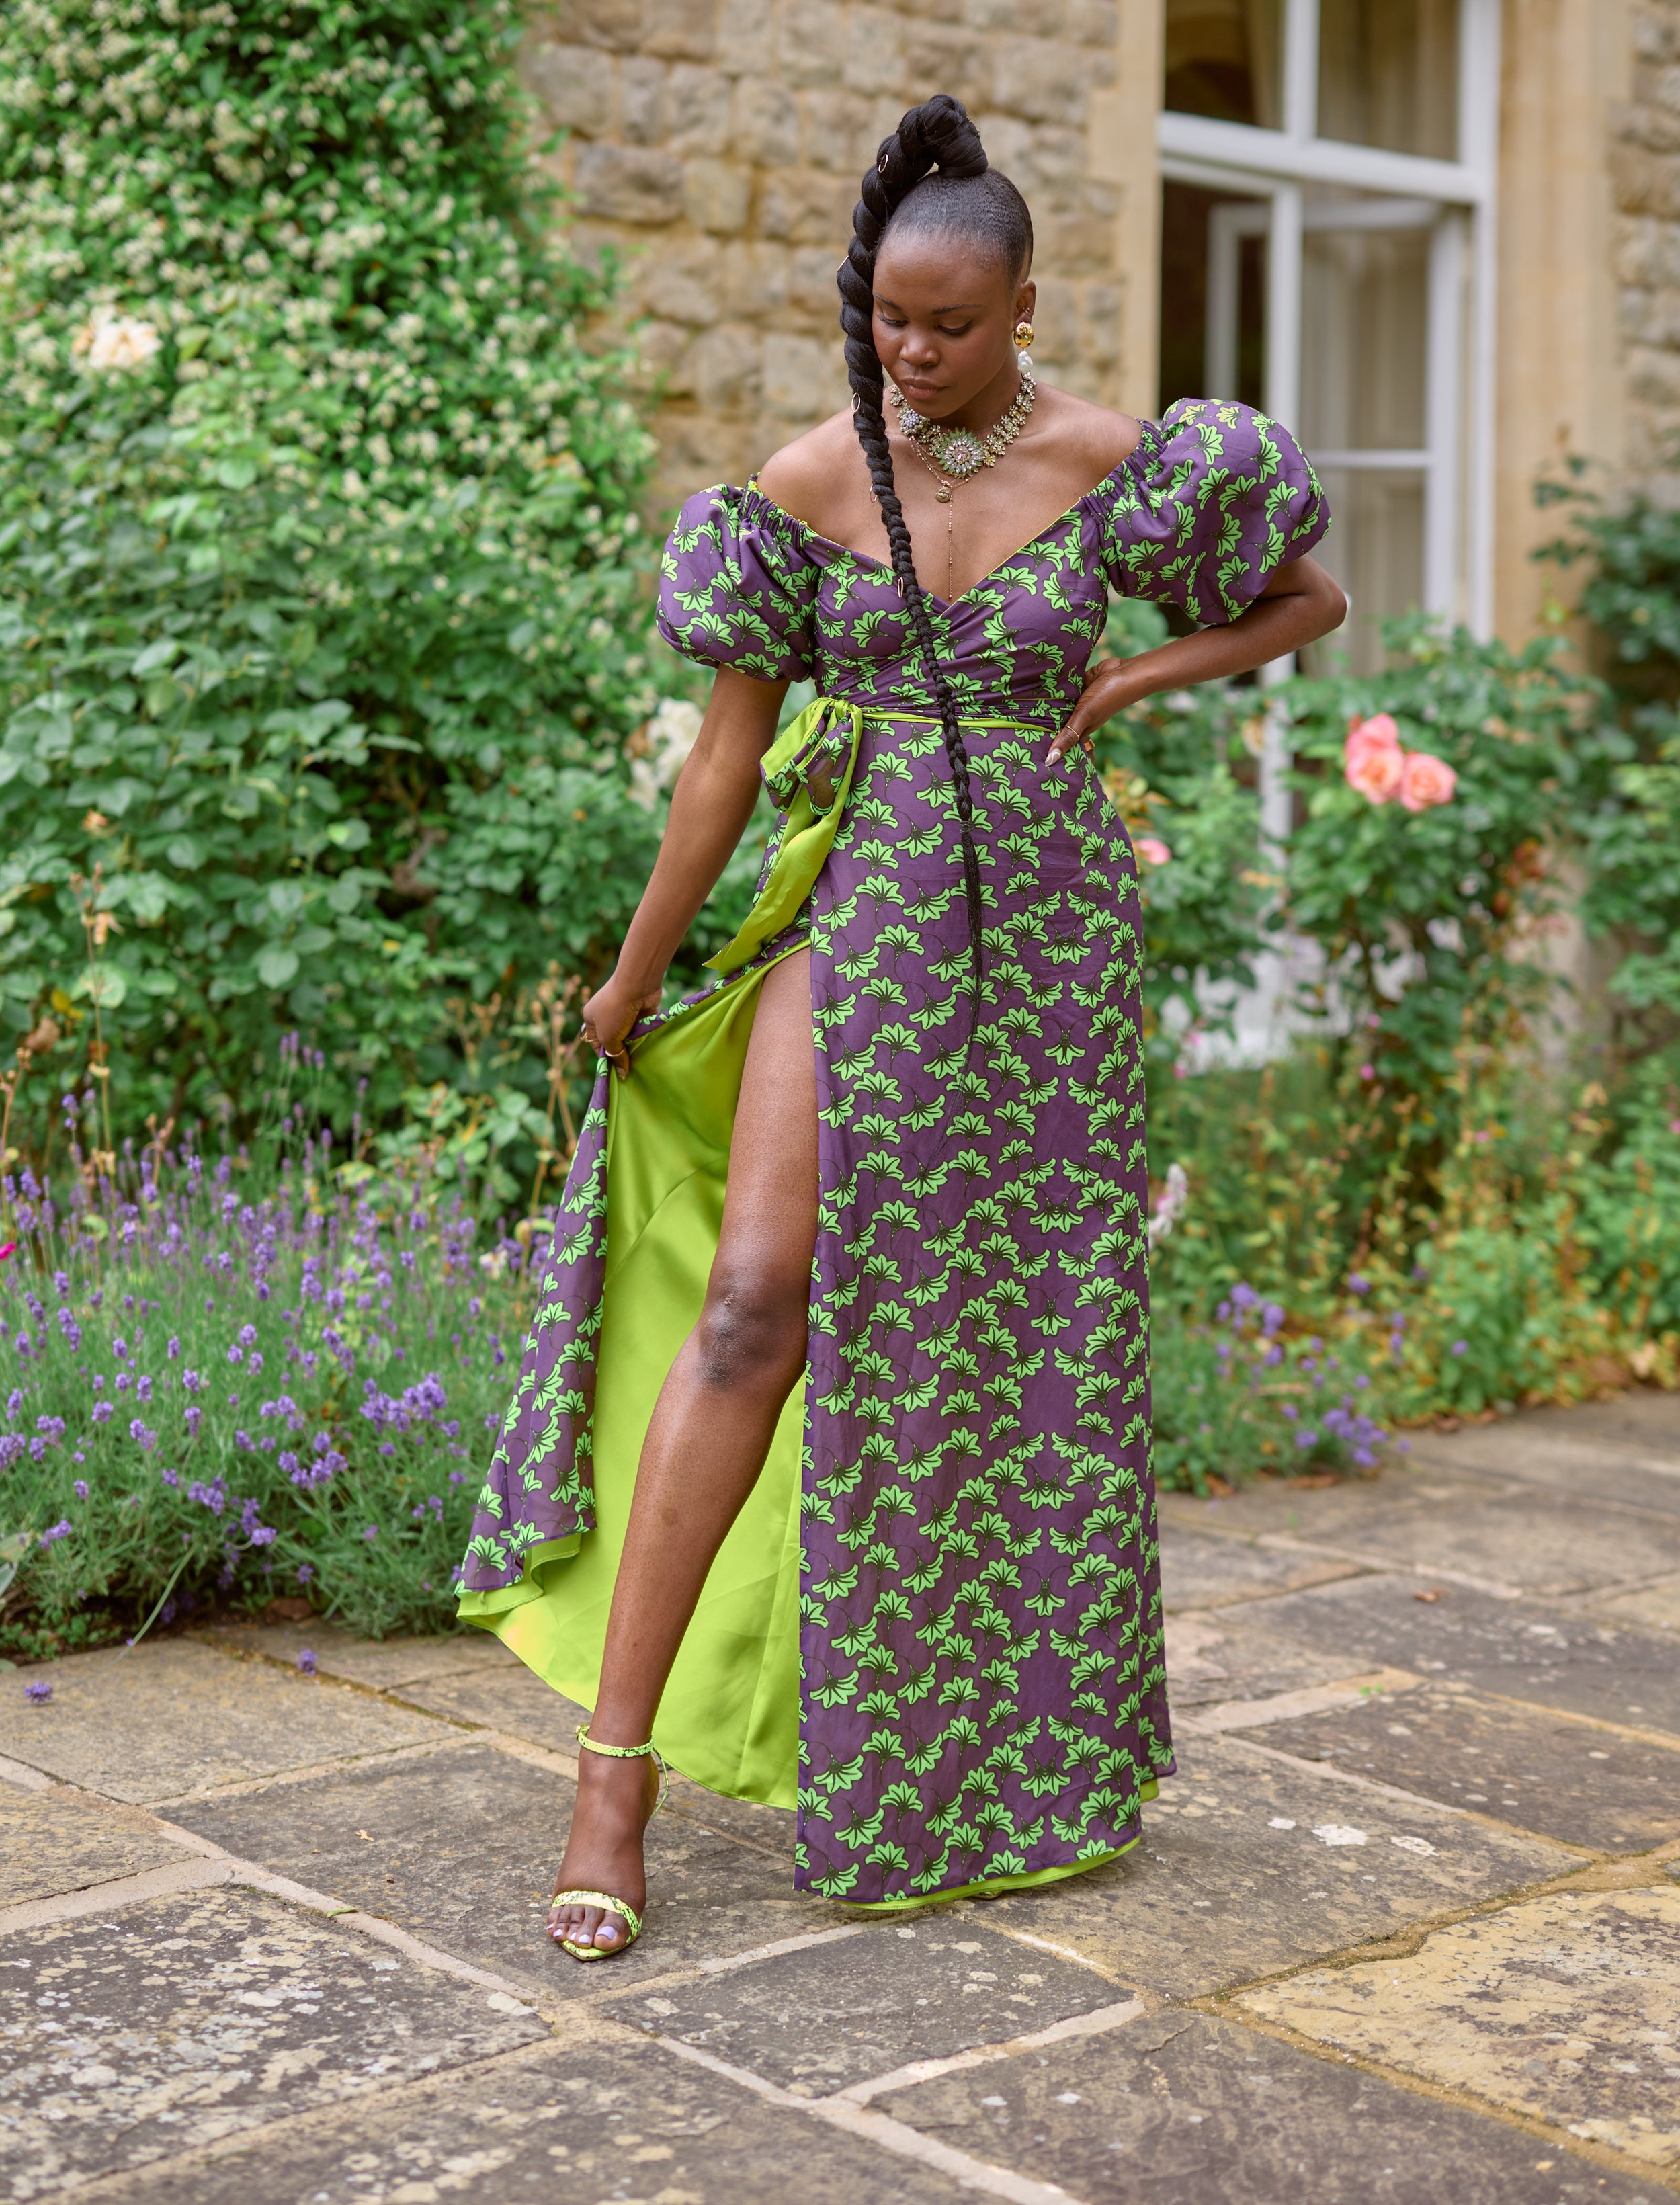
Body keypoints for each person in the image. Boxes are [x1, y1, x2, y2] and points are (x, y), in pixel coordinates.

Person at [456, 94, 1346, 1960]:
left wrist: (1136, 667)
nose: (912, 358)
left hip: (1045, 951)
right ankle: (609, 1776)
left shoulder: (1128, 467)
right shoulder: (801, 484)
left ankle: (957, 1775)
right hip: (851, 912)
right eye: (887, 326)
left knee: (999, 1356)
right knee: (754, 1299)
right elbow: (719, 769)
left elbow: (1302, 597)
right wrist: (632, 975)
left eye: (947, 327)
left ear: (1024, 307)